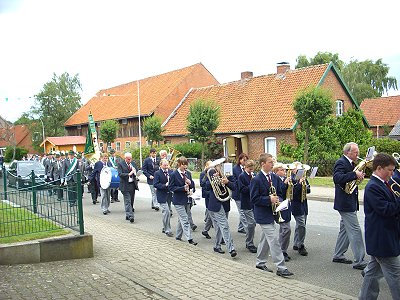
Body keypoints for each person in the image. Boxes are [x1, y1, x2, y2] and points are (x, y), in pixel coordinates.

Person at [359, 153, 400, 300]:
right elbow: (386, 210)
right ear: (379, 168)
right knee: (396, 277)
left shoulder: (385, 183)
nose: (393, 173)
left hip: (383, 238)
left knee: (372, 274)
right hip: (382, 239)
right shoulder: (373, 187)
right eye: (390, 170)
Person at [250, 153, 294, 277]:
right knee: (274, 240)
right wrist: (268, 199)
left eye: (272, 162)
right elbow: (254, 199)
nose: (272, 164)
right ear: (263, 164)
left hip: (273, 213)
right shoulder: (256, 179)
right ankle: (281, 267)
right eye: (270, 162)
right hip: (263, 214)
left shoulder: (274, 177)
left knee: (265, 239)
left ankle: (260, 262)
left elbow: (280, 191)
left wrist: (287, 185)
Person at [332, 142, 368, 270]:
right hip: (345, 203)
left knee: (345, 230)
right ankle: (360, 260)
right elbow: (337, 178)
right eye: (355, 152)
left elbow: (350, 180)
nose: (358, 154)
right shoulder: (341, 162)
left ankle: (338, 254)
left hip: (350, 201)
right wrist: (354, 175)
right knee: (355, 230)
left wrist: (358, 178)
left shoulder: (351, 164)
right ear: (348, 152)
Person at [207, 159, 237, 257]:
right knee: (224, 225)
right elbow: (205, 186)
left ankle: (216, 246)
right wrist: (213, 181)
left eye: (221, 165)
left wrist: (227, 182)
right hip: (216, 203)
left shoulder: (228, 174)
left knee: (221, 226)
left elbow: (234, 187)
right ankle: (231, 248)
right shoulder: (210, 173)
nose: (220, 167)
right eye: (218, 166)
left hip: (225, 202)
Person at [169, 156, 197, 245]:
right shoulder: (174, 174)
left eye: (186, 165)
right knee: (185, 219)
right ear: (179, 165)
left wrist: (190, 183)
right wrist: (182, 188)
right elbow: (171, 187)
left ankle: (178, 236)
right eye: (183, 165)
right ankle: (189, 239)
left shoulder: (188, 173)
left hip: (187, 199)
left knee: (181, 219)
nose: (185, 167)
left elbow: (192, 185)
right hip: (178, 200)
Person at [272, 162, 292, 261]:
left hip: (287, 206)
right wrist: (284, 184)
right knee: (286, 229)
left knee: (284, 230)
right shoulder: (275, 180)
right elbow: (278, 192)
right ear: (276, 171)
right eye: (281, 170)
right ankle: (281, 250)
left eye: (284, 170)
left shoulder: (285, 179)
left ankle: (282, 250)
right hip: (280, 206)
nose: (284, 172)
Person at [289, 162, 310, 257]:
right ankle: (301, 245)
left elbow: (308, 190)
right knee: (301, 224)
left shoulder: (303, 177)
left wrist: (305, 184)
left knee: (301, 224)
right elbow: (293, 192)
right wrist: (299, 184)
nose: (299, 171)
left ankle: (296, 243)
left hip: (304, 203)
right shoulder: (291, 178)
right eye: (297, 169)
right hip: (296, 204)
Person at [238, 159, 257, 254]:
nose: (251, 170)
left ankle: (249, 241)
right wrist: (252, 184)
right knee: (252, 223)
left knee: (253, 224)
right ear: (245, 167)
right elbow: (242, 189)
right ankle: (249, 243)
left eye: (252, 169)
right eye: (250, 169)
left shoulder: (253, 175)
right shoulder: (242, 176)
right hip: (246, 203)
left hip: (253, 203)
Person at [154, 158, 173, 236]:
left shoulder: (171, 172)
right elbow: (156, 184)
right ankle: (167, 229)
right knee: (166, 212)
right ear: (161, 165)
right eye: (164, 165)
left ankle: (164, 227)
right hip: (161, 194)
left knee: (167, 212)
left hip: (169, 194)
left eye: (167, 165)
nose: (166, 167)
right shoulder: (157, 173)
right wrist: (165, 185)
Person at [117, 152, 138, 223]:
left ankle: (128, 214)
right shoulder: (120, 164)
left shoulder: (133, 164)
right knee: (127, 200)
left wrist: (136, 173)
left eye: (130, 159)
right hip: (125, 185)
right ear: (125, 158)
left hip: (132, 184)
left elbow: (137, 171)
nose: (130, 160)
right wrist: (128, 174)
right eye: (128, 159)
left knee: (131, 200)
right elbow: (120, 174)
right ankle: (131, 216)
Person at [232, 153, 249, 234]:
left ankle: (240, 227)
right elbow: (234, 180)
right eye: (243, 160)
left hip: (244, 193)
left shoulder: (247, 169)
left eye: (246, 160)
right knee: (242, 212)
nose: (245, 162)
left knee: (243, 210)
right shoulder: (235, 169)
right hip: (238, 193)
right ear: (240, 160)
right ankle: (247, 228)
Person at [200, 161, 213, 239]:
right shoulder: (203, 174)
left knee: (211, 215)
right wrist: (206, 174)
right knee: (210, 214)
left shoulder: (213, 172)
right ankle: (206, 230)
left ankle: (205, 230)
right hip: (208, 196)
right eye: (210, 166)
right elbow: (202, 184)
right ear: (206, 166)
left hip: (213, 196)